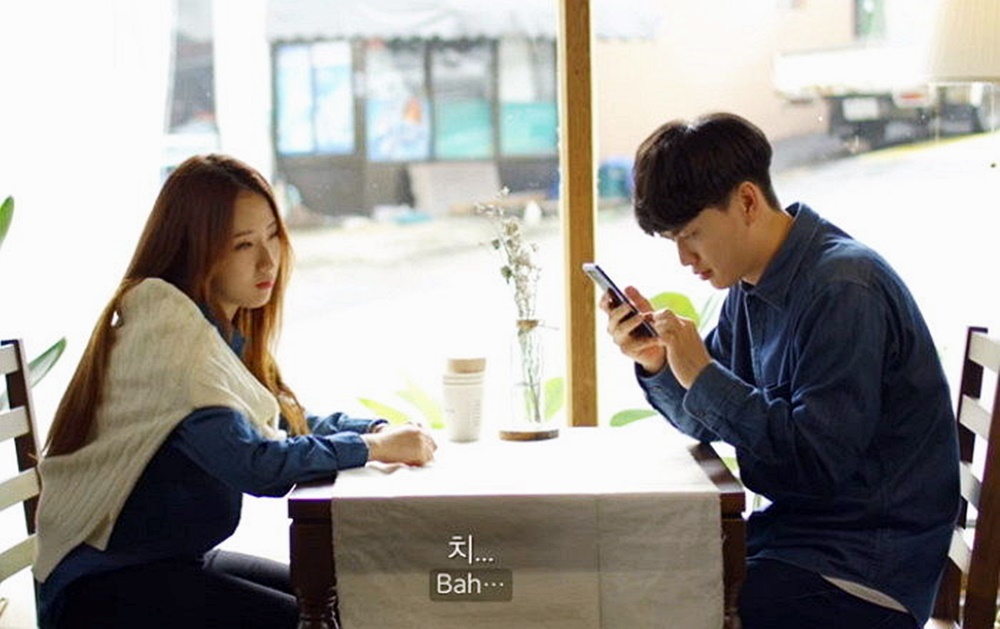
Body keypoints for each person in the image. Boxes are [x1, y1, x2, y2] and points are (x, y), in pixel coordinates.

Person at [32, 154, 438, 629]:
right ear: (195, 251)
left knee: (352, 602)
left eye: (272, 235)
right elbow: (256, 465)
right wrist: (371, 448)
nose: (268, 260)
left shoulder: (204, 327)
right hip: (103, 589)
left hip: (168, 561)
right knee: (325, 619)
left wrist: (374, 429)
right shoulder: (171, 338)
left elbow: (280, 422)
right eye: (243, 245)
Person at [600, 113, 958, 628]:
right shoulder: (751, 285)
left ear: (747, 202)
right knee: (651, 572)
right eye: (673, 240)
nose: (684, 258)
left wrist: (702, 374)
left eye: (692, 234)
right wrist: (659, 362)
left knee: (671, 605)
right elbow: (708, 416)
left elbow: (818, 464)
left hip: (866, 570)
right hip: (801, 542)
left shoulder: (842, 288)